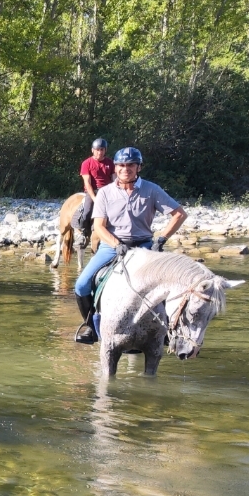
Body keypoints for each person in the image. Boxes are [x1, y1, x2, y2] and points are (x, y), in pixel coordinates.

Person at [73, 147, 188, 344]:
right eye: (121, 165)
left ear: (138, 167)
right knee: (81, 285)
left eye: (130, 165)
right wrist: (116, 243)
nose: (125, 169)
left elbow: (179, 214)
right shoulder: (105, 193)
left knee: (170, 284)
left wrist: (161, 240)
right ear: (115, 168)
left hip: (143, 245)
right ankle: (91, 329)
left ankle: (169, 330)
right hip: (111, 246)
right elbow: (99, 226)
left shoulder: (152, 190)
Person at [74, 138, 114, 247]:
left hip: (107, 190)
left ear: (105, 150)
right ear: (93, 150)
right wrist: (94, 198)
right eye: (97, 150)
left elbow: (114, 179)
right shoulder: (87, 163)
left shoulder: (110, 163)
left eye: (102, 149)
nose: (100, 152)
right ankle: (82, 233)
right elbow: (87, 182)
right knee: (87, 210)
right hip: (93, 190)